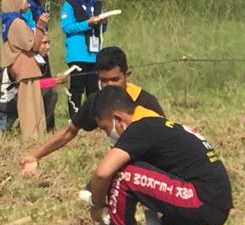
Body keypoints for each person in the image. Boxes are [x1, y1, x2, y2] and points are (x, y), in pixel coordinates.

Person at [85, 86, 232, 225]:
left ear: (118, 119)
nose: (107, 134)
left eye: (105, 128)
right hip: (214, 206)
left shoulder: (138, 129)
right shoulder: (155, 126)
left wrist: (97, 206)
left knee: (124, 173)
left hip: (200, 199)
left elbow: (103, 173)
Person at [20, 46, 163, 177]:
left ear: (127, 75)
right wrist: (35, 156)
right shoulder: (97, 101)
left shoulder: (145, 102)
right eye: (104, 80)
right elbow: (69, 131)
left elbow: (165, 142)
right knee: (92, 190)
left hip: (153, 167)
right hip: (123, 166)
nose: (109, 86)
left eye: (115, 79)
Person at [61, 0, 106, 121]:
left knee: (93, 88)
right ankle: (75, 118)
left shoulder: (96, 3)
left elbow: (102, 31)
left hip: (94, 53)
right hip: (77, 52)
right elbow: (67, 27)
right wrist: (87, 23)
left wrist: (103, 24)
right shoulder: (69, 4)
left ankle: (93, 118)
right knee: (77, 87)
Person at [2, 0, 45, 139]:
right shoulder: (17, 23)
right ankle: (33, 135)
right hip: (26, 69)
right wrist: (40, 26)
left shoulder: (6, 22)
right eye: (25, 0)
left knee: (31, 103)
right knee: (31, 105)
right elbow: (32, 45)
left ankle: (35, 134)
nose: (27, 4)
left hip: (22, 68)